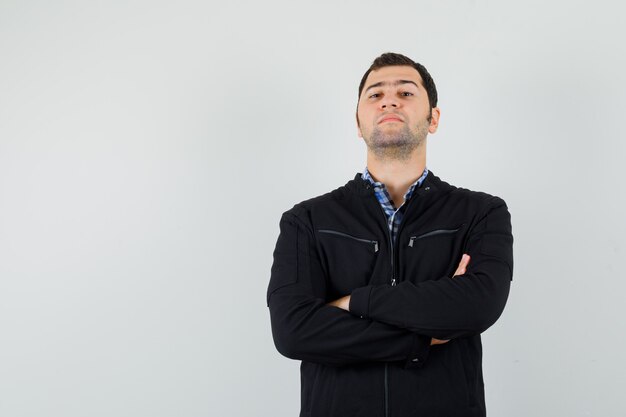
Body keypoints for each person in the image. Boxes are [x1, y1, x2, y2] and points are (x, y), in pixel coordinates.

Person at [266, 52, 514, 417]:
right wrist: (423, 338)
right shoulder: (307, 220)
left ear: (434, 119)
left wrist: (353, 302)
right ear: (358, 122)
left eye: (407, 93)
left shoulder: (480, 213)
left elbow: (478, 305)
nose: (390, 100)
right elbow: (293, 331)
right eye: (375, 94)